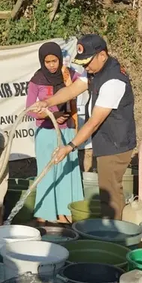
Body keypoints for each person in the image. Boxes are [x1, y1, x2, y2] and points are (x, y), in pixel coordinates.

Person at [32, 34, 136, 220]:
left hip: (115, 143)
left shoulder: (113, 81)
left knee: (109, 193)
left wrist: (69, 147)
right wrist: (47, 102)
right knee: (106, 190)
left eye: (88, 62)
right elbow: (72, 90)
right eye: (83, 63)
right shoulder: (95, 70)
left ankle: (114, 236)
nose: (85, 67)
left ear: (102, 56)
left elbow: (94, 122)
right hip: (105, 139)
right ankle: (109, 230)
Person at [26, 42, 85, 224]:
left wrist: (64, 116)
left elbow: (82, 86)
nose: (52, 65)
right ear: (42, 61)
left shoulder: (69, 75)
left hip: (67, 131)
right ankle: (44, 212)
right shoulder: (36, 80)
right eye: (48, 61)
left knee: (66, 172)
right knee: (47, 171)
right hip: (45, 131)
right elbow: (29, 109)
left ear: (60, 59)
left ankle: (64, 212)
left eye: (55, 60)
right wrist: (52, 114)